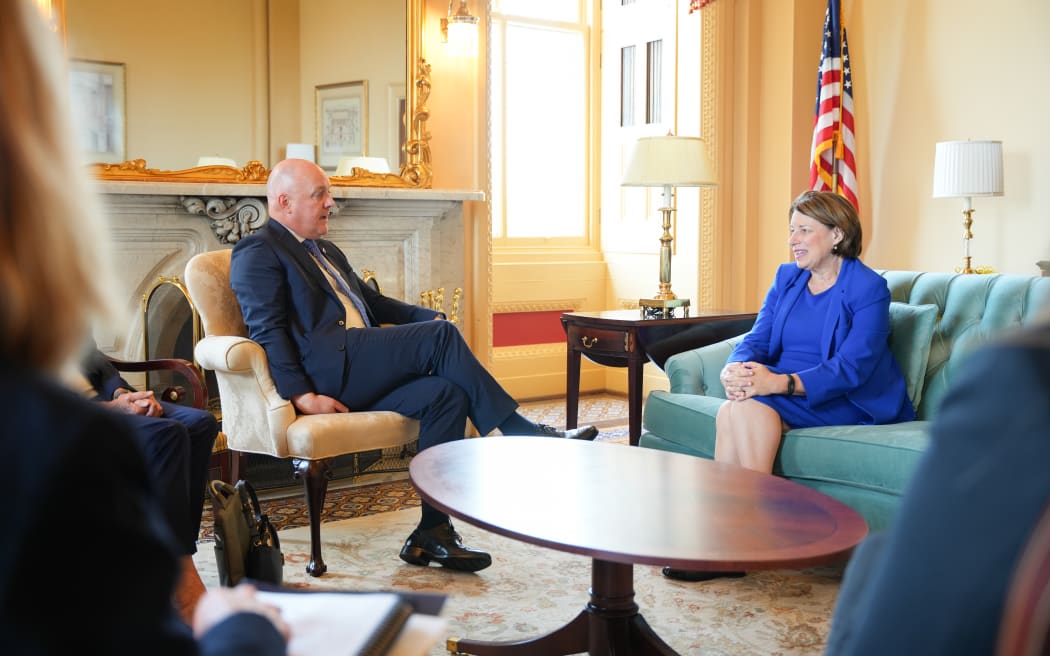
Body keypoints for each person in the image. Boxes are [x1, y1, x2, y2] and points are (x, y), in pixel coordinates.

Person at [0, 1, 287, 653]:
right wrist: (240, 628)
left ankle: (179, 558)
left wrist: (109, 394)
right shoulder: (63, 451)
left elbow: (89, 357)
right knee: (159, 435)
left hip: (94, 405)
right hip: (88, 425)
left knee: (190, 422)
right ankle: (184, 583)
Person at [230, 158, 599, 572]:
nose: (330, 203)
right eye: (319, 195)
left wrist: (426, 318)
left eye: (328, 194)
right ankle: (522, 432)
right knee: (441, 341)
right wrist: (302, 395)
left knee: (446, 396)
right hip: (330, 369)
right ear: (283, 201)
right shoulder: (257, 251)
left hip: (359, 365)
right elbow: (267, 330)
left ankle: (432, 533)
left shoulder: (326, 250)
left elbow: (374, 304)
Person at [664, 190, 914, 582]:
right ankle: (729, 540)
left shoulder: (868, 288)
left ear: (836, 234)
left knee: (743, 409)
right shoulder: (788, 277)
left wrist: (778, 383)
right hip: (778, 384)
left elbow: (852, 368)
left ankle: (736, 542)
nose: (792, 239)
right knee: (735, 407)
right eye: (791, 230)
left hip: (845, 396)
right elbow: (757, 338)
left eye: (804, 230)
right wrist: (738, 368)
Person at [825, 318, 1050, 654]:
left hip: (834, 397)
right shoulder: (790, 283)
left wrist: (784, 382)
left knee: (874, 558)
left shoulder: (1025, 374)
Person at [75, 344, 219, 622]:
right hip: (73, 413)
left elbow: (94, 357)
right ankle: (181, 578)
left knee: (201, 424)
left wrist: (124, 394)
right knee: (168, 433)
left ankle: (175, 555)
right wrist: (113, 408)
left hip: (108, 400)